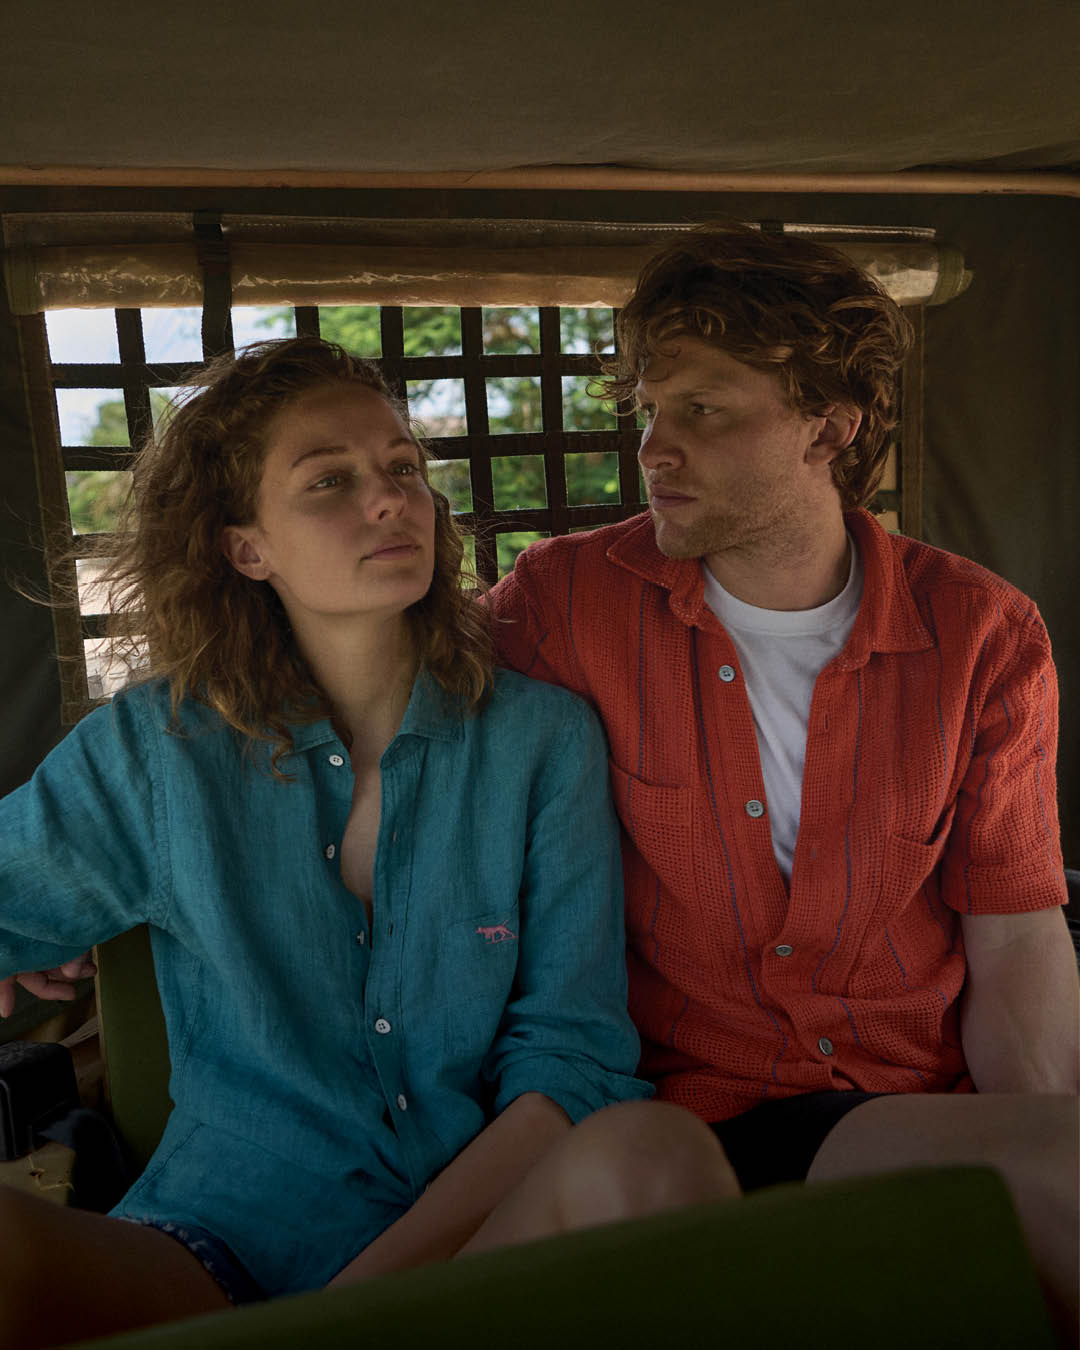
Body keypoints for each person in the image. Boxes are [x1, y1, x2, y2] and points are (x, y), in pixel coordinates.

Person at [0, 338, 736, 1349]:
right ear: (246, 547)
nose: (390, 500)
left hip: (478, 1250)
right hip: (212, 1244)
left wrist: (358, 1310)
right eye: (329, 482)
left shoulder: (541, 741)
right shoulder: (155, 751)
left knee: (655, 1150)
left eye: (401, 470)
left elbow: (572, 1062)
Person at [487, 225, 1079, 1335]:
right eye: (650, 410)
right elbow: (365, 714)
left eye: (705, 410)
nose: (654, 448)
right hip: (681, 1120)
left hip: (909, 1107)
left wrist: (1026, 1136)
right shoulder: (562, 603)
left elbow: (1019, 936)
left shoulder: (983, 634)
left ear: (831, 425)